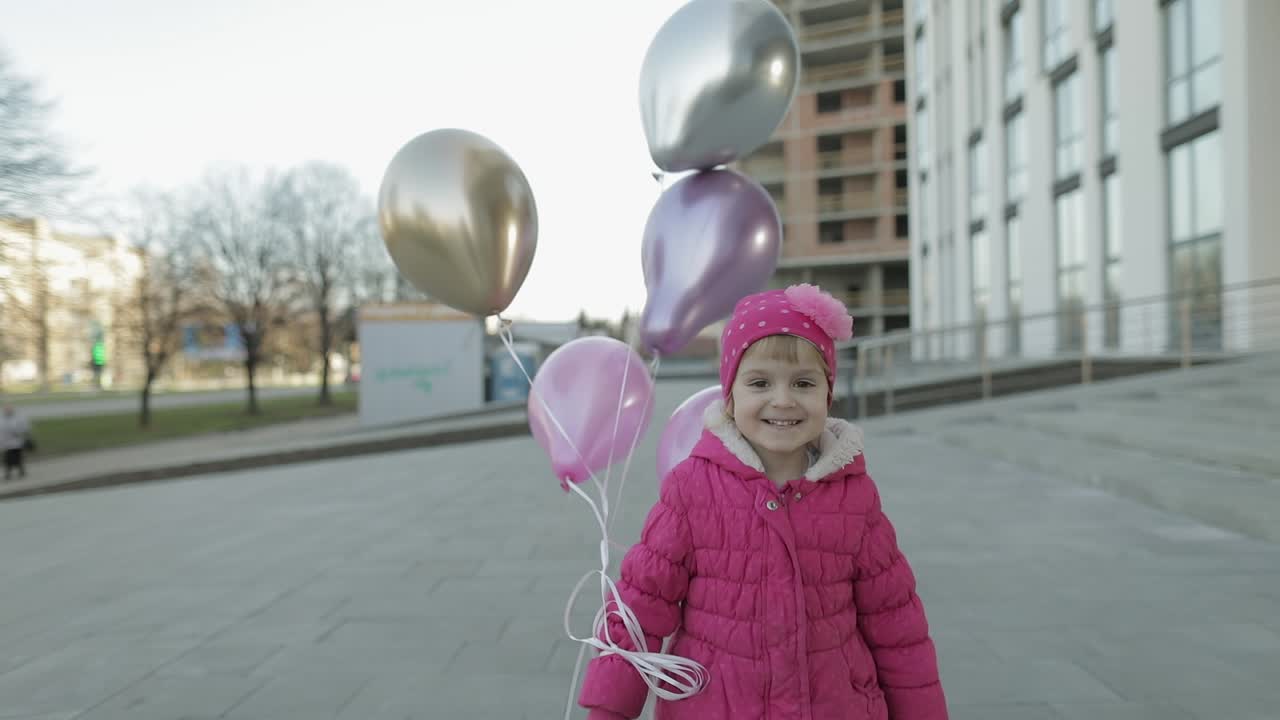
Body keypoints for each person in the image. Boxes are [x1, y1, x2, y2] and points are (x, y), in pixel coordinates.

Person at [579, 284, 947, 720]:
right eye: (760, 382)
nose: (783, 399)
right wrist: (609, 710)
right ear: (730, 397)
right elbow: (640, 610)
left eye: (804, 383)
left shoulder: (854, 496)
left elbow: (896, 626)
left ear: (827, 395)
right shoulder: (692, 490)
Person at [2, 404, 32, 481]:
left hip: (17, 443)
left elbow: (25, 428)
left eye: (9, 410)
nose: (7, 411)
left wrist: (19, 432)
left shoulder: (18, 418)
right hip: (7, 444)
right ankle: (9, 473)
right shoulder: (2, 419)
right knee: (8, 459)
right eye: (6, 410)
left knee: (18, 457)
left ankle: (20, 471)